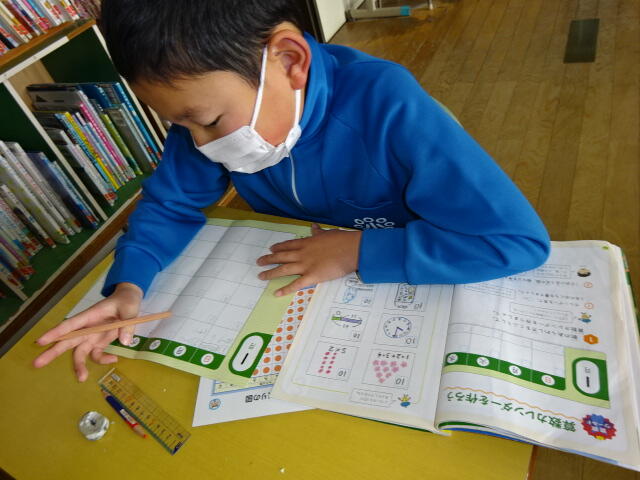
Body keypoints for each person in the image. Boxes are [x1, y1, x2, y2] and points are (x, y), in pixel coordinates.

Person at [33, 0, 550, 381]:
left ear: (288, 60)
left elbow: (516, 241)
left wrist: (355, 250)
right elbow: (170, 203)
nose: (199, 144)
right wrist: (129, 285)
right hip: (300, 290)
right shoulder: (201, 114)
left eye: (208, 121)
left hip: (406, 284)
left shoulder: (388, 105)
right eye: (180, 125)